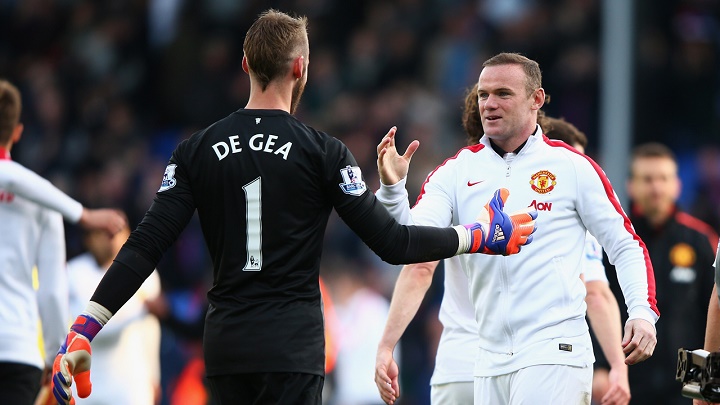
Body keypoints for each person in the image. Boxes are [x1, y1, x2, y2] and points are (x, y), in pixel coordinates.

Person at [50, 11, 538, 405]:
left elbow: (145, 245)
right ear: (301, 67)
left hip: (226, 350)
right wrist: (476, 235)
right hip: (292, 351)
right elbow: (393, 244)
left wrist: (85, 327)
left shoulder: (195, 150)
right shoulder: (321, 151)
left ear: (245, 65)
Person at [374, 52, 658, 405]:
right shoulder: (455, 171)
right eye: (483, 95)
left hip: (554, 348)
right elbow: (409, 245)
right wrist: (392, 190)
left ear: (536, 99)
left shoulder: (572, 167)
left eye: (503, 94)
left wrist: (642, 313)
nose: (489, 104)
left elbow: (625, 244)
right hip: (487, 358)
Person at [604, 142, 719, 405]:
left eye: (663, 179)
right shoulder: (616, 240)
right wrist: (602, 368)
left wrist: (706, 385)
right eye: (647, 179)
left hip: (685, 383)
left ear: (676, 185)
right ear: (631, 186)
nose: (656, 188)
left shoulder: (700, 240)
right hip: (626, 378)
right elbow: (597, 304)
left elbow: (713, 314)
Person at [0, 79, 69, 405]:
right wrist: (55, 353)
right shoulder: (44, 199)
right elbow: (53, 291)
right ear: (17, 132)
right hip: (19, 349)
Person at [67, 222, 161, 404]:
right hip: (84, 387)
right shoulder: (73, 272)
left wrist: (154, 375)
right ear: (88, 240)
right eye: (102, 233)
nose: (110, 239)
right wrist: (141, 310)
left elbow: (150, 330)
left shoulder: (146, 272)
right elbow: (82, 330)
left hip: (131, 384)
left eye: (117, 231)